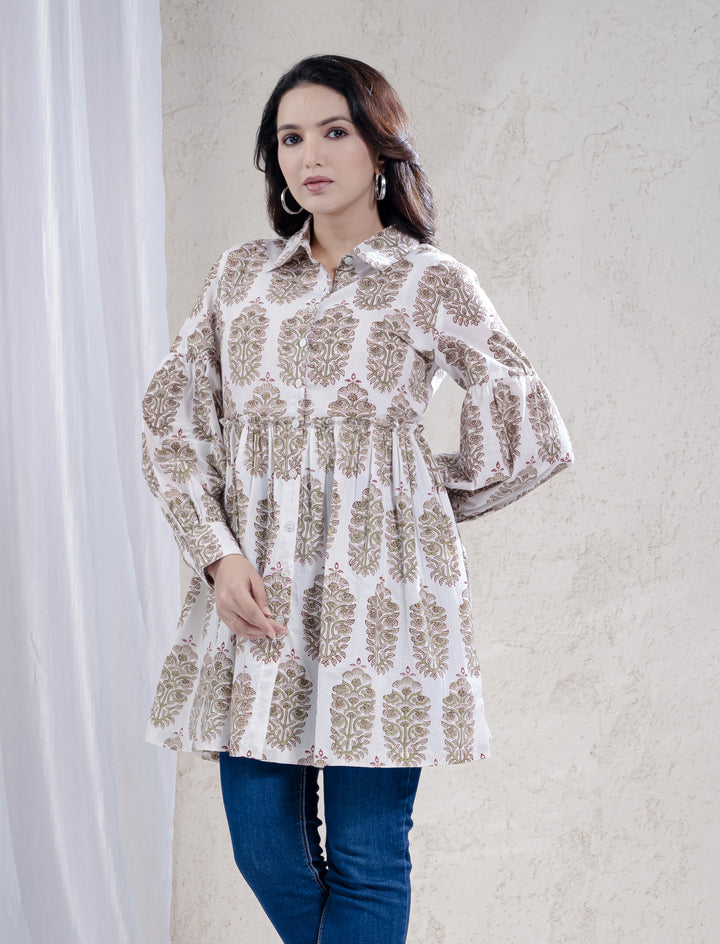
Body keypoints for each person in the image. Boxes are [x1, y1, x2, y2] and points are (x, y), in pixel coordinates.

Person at [141, 54, 573, 944]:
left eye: (333, 131)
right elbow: (170, 419)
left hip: (385, 604)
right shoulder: (241, 277)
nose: (310, 154)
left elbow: (525, 418)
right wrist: (216, 552)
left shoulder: (429, 279)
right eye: (289, 138)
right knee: (263, 845)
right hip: (258, 592)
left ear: (379, 145)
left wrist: (419, 500)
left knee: (370, 855)